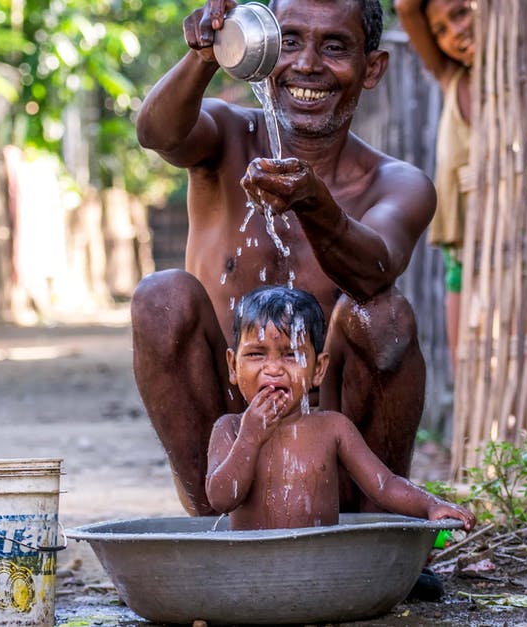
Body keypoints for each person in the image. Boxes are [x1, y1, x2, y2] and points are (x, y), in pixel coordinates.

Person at [132, 0, 437, 518]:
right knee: (160, 297)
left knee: (381, 314)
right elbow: (157, 134)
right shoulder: (226, 135)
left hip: (332, 455)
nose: (308, 64)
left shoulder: (396, 183)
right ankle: (212, 525)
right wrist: (205, 55)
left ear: (373, 68)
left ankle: (377, 528)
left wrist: (316, 205)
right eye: (289, 41)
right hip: (229, 454)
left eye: (335, 47)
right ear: (261, 50)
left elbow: (375, 270)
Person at [205, 285, 475, 532]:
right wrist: (249, 439)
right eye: (256, 354)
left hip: (323, 567)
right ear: (232, 366)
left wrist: (431, 505)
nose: (273, 369)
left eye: (291, 355)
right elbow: (221, 499)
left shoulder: (332, 428)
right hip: (251, 572)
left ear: (319, 370)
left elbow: (384, 484)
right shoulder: (230, 428)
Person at [395, 0, 475, 371]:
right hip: (463, 250)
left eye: (460, 13)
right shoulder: (450, 78)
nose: (454, 33)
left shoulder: (525, 79)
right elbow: (405, 8)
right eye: (440, 30)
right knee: (468, 362)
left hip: (521, 247)